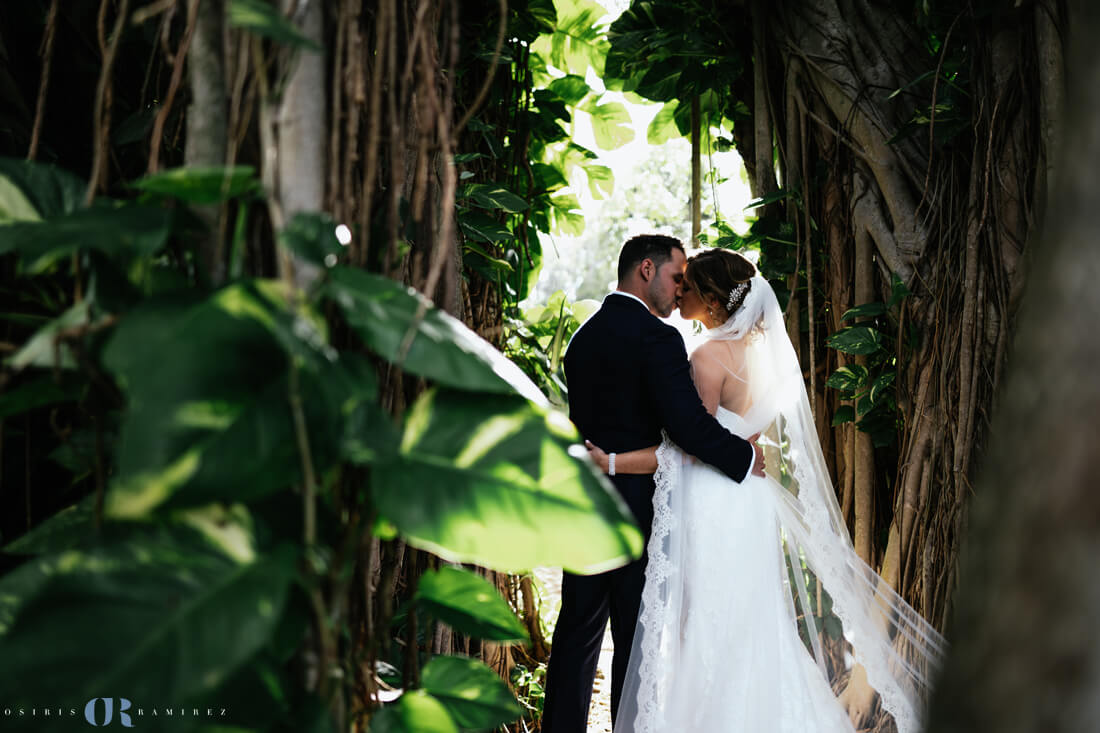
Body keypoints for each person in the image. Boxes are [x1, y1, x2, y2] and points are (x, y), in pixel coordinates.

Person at [586, 248, 947, 733]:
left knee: (710, 624)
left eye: (689, 287)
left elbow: (690, 446)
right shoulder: (761, 359)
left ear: (713, 300)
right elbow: (739, 440)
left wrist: (612, 460)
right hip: (751, 503)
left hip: (713, 500)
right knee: (753, 622)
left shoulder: (707, 357)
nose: (680, 293)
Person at [540, 235, 766, 732]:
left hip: (585, 504)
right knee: (634, 642)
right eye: (675, 276)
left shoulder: (583, 338)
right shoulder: (658, 340)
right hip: (640, 509)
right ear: (646, 269)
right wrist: (743, 455)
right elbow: (688, 429)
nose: (679, 287)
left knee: (576, 633)